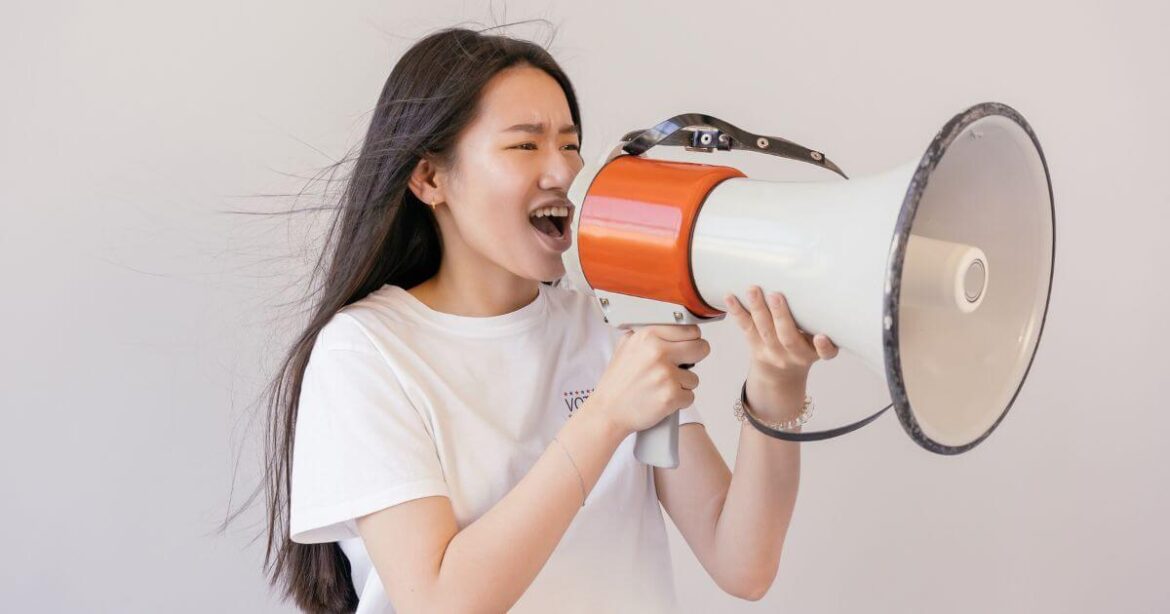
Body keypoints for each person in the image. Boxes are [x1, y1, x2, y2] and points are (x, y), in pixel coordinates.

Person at [262, 24, 840, 614]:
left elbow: (743, 564)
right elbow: (438, 600)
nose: (563, 172)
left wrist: (776, 388)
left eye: (569, 144)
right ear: (430, 178)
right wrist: (607, 416)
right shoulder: (367, 352)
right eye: (525, 145)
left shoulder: (608, 324)